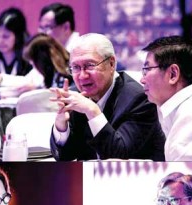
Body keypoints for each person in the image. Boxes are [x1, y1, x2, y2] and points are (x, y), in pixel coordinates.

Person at [49, 33, 165, 161]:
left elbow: (119, 156)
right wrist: (61, 126)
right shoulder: (76, 95)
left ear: (111, 64)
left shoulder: (139, 99)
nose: (82, 76)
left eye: (90, 65)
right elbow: (65, 157)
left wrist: (92, 111)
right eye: (76, 67)